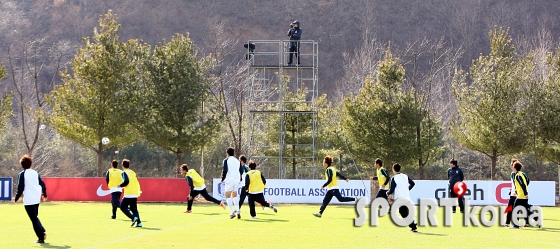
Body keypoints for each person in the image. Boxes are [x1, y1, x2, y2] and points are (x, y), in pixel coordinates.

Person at [14, 154, 48, 243]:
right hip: (36, 198)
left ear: (22, 165)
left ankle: (41, 237)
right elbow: (42, 184)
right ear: (30, 164)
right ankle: (42, 231)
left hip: (29, 200)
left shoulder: (22, 174)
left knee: (34, 219)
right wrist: (44, 193)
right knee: (35, 217)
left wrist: (16, 197)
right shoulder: (35, 173)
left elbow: (20, 187)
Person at [386, 163, 418, 232]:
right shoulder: (405, 176)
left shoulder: (394, 178)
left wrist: (387, 192)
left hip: (401, 198)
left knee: (403, 212)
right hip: (407, 197)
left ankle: (413, 225)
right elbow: (413, 183)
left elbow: (392, 189)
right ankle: (413, 224)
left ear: (393, 170)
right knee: (405, 212)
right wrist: (407, 189)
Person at [510, 161, 538, 229]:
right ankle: (537, 219)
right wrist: (517, 191)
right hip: (522, 195)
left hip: (521, 196)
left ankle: (516, 225)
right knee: (525, 210)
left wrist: (525, 193)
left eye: (513, 166)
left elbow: (522, 185)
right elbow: (526, 182)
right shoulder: (522, 174)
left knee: (515, 210)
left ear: (515, 168)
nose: (512, 168)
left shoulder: (517, 175)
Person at [118, 159, 142, 227]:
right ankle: (139, 223)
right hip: (134, 192)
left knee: (122, 206)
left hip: (129, 193)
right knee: (133, 208)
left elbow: (126, 181)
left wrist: (120, 185)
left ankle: (133, 218)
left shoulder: (124, 172)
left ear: (122, 165)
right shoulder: (132, 172)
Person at [221, 147, 243, 219]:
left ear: (227, 153)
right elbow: (241, 170)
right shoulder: (238, 161)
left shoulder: (226, 160)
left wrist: (222, 178)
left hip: (229, 179)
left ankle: (232, 212)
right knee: (235, 195)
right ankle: (238, 210)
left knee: (227, 195)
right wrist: (240, 178)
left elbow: (225, 170)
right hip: (236, 180)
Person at [503, 158, 518, 227]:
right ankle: (508, 222)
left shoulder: (513, 174)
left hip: (515, 194)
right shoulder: (520, 173)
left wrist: (515, 191)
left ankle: (508, 223)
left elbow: (515, 184)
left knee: (511, 207)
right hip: (515, 193)